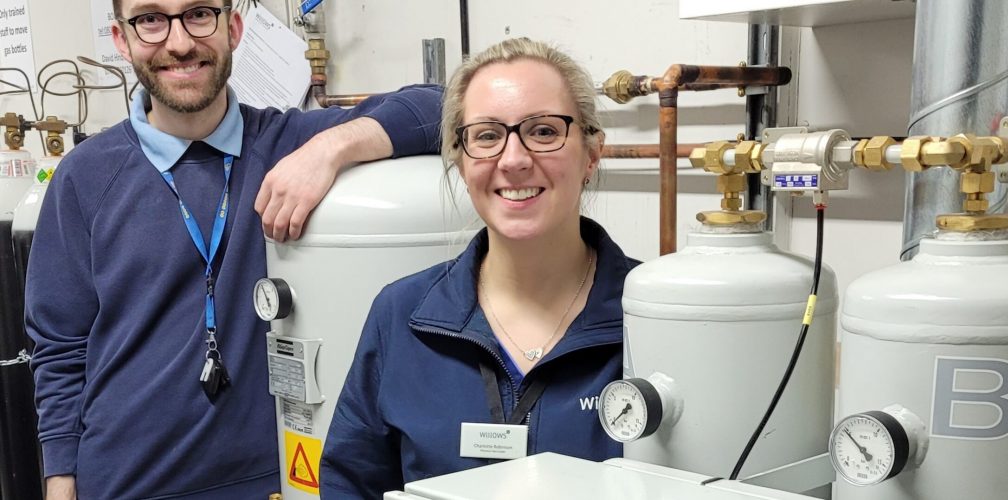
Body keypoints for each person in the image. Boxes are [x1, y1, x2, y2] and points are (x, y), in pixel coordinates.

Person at [24, 1, 442, 498]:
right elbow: (60, 347)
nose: (178, 42)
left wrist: (332, 148)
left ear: (233, 27)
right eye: (151, 19)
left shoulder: (286, 143)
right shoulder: (84, 175)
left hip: (271, 480)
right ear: (122, 39)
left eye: (199, 13)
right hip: (126, 480)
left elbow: (441, 106)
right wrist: (60, 482)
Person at [319, 37, 638, 497]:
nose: (513, 160)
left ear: (591, 154)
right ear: (461, 161)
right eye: (487, 135)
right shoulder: (401, 315)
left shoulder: (657, 318)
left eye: (545, 131)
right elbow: (351, 484)